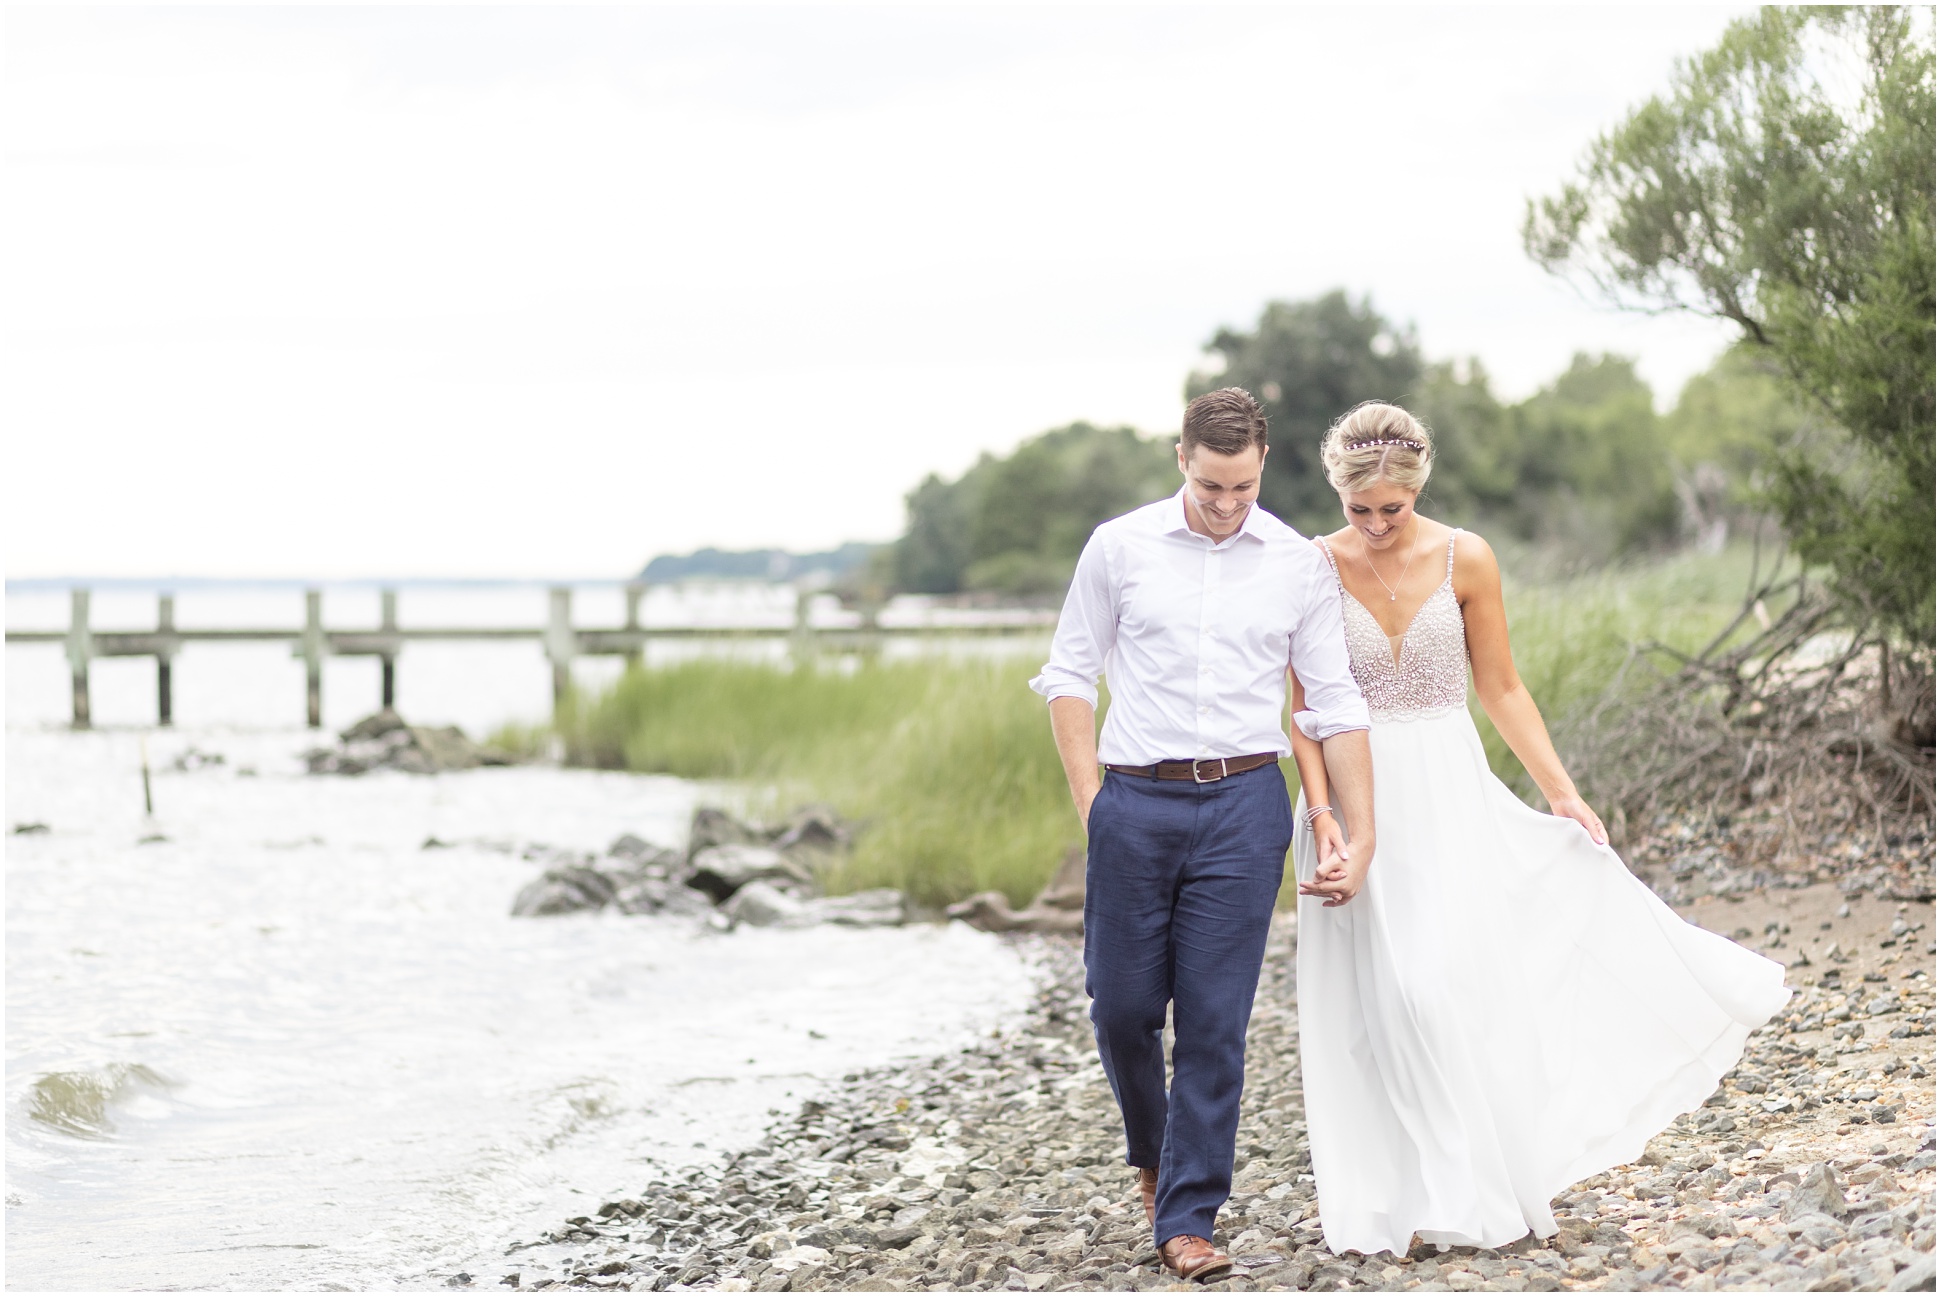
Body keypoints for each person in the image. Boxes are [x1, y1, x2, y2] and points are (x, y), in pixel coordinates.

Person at [1287, 400, 1791, 1258]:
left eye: (1391, 509)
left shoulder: (1466, 557)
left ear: (1418, 490)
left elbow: (1503, 688)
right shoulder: (1308, 569)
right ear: (1336, 494)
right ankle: (1402, 1196)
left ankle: (1481, 1191)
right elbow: (1303, 711)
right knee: (1384, 1003)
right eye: (1357, 509)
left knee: (1447, 984)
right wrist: (1325, 814)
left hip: (1450, 790)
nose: (1373, 525)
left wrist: (1561, 792)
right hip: (1355, 795)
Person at [1030, 387, 1377, 1283]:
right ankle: (1152, 1157)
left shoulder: (1297, 562)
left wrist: (1354, 827)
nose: (1229, 504)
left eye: (1246, 486)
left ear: (1263, 466)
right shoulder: (1119, 546)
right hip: (1133, 804)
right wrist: (1091, 798)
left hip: (1243, 805)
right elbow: (1069, 673)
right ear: (1181, 457)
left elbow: (1331, 699)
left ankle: (1188, 1215)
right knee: (1122, 1009)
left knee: (1216, 1025)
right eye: (1214, 485)